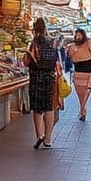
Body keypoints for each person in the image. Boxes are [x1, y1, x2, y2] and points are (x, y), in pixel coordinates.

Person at [24, 18, 61, 149]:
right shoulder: (53, 43)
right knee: (49, 107)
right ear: (45, 29)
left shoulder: (33, 44)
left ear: (34, 29)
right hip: (49, 77)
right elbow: (57, 62)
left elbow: (26, 61)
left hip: (35, 78)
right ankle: (48, 139)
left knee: (37, 109)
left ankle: (39, 135)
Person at [65, 28, 91, 121]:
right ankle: (83, 110)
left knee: (87, 90)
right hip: (78, 70)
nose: (77, 37)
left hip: (88, 70)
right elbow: (70, 58)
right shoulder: (72, 47)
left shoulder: (89, 42)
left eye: (79, 35)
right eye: (76, 35)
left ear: (83, 35)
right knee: (80, 93)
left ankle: (82, 110)